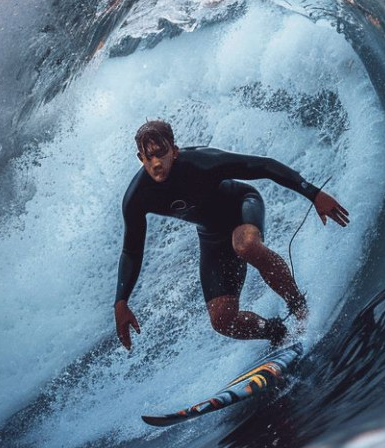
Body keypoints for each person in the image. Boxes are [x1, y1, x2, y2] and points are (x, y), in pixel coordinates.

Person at [113, 119, 349, 349]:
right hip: (212, 235)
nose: (156, 163)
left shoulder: (202, 162)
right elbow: (131, 251)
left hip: (241, 206)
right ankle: (278, 333)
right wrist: (121, 302)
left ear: (174, 151)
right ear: (140, 158)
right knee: (222, 320)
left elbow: (265, 166)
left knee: (245, 245)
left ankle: (300, 309)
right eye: (149, 156)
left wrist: (314, 194)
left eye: (161, 152)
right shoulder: (137, 197)